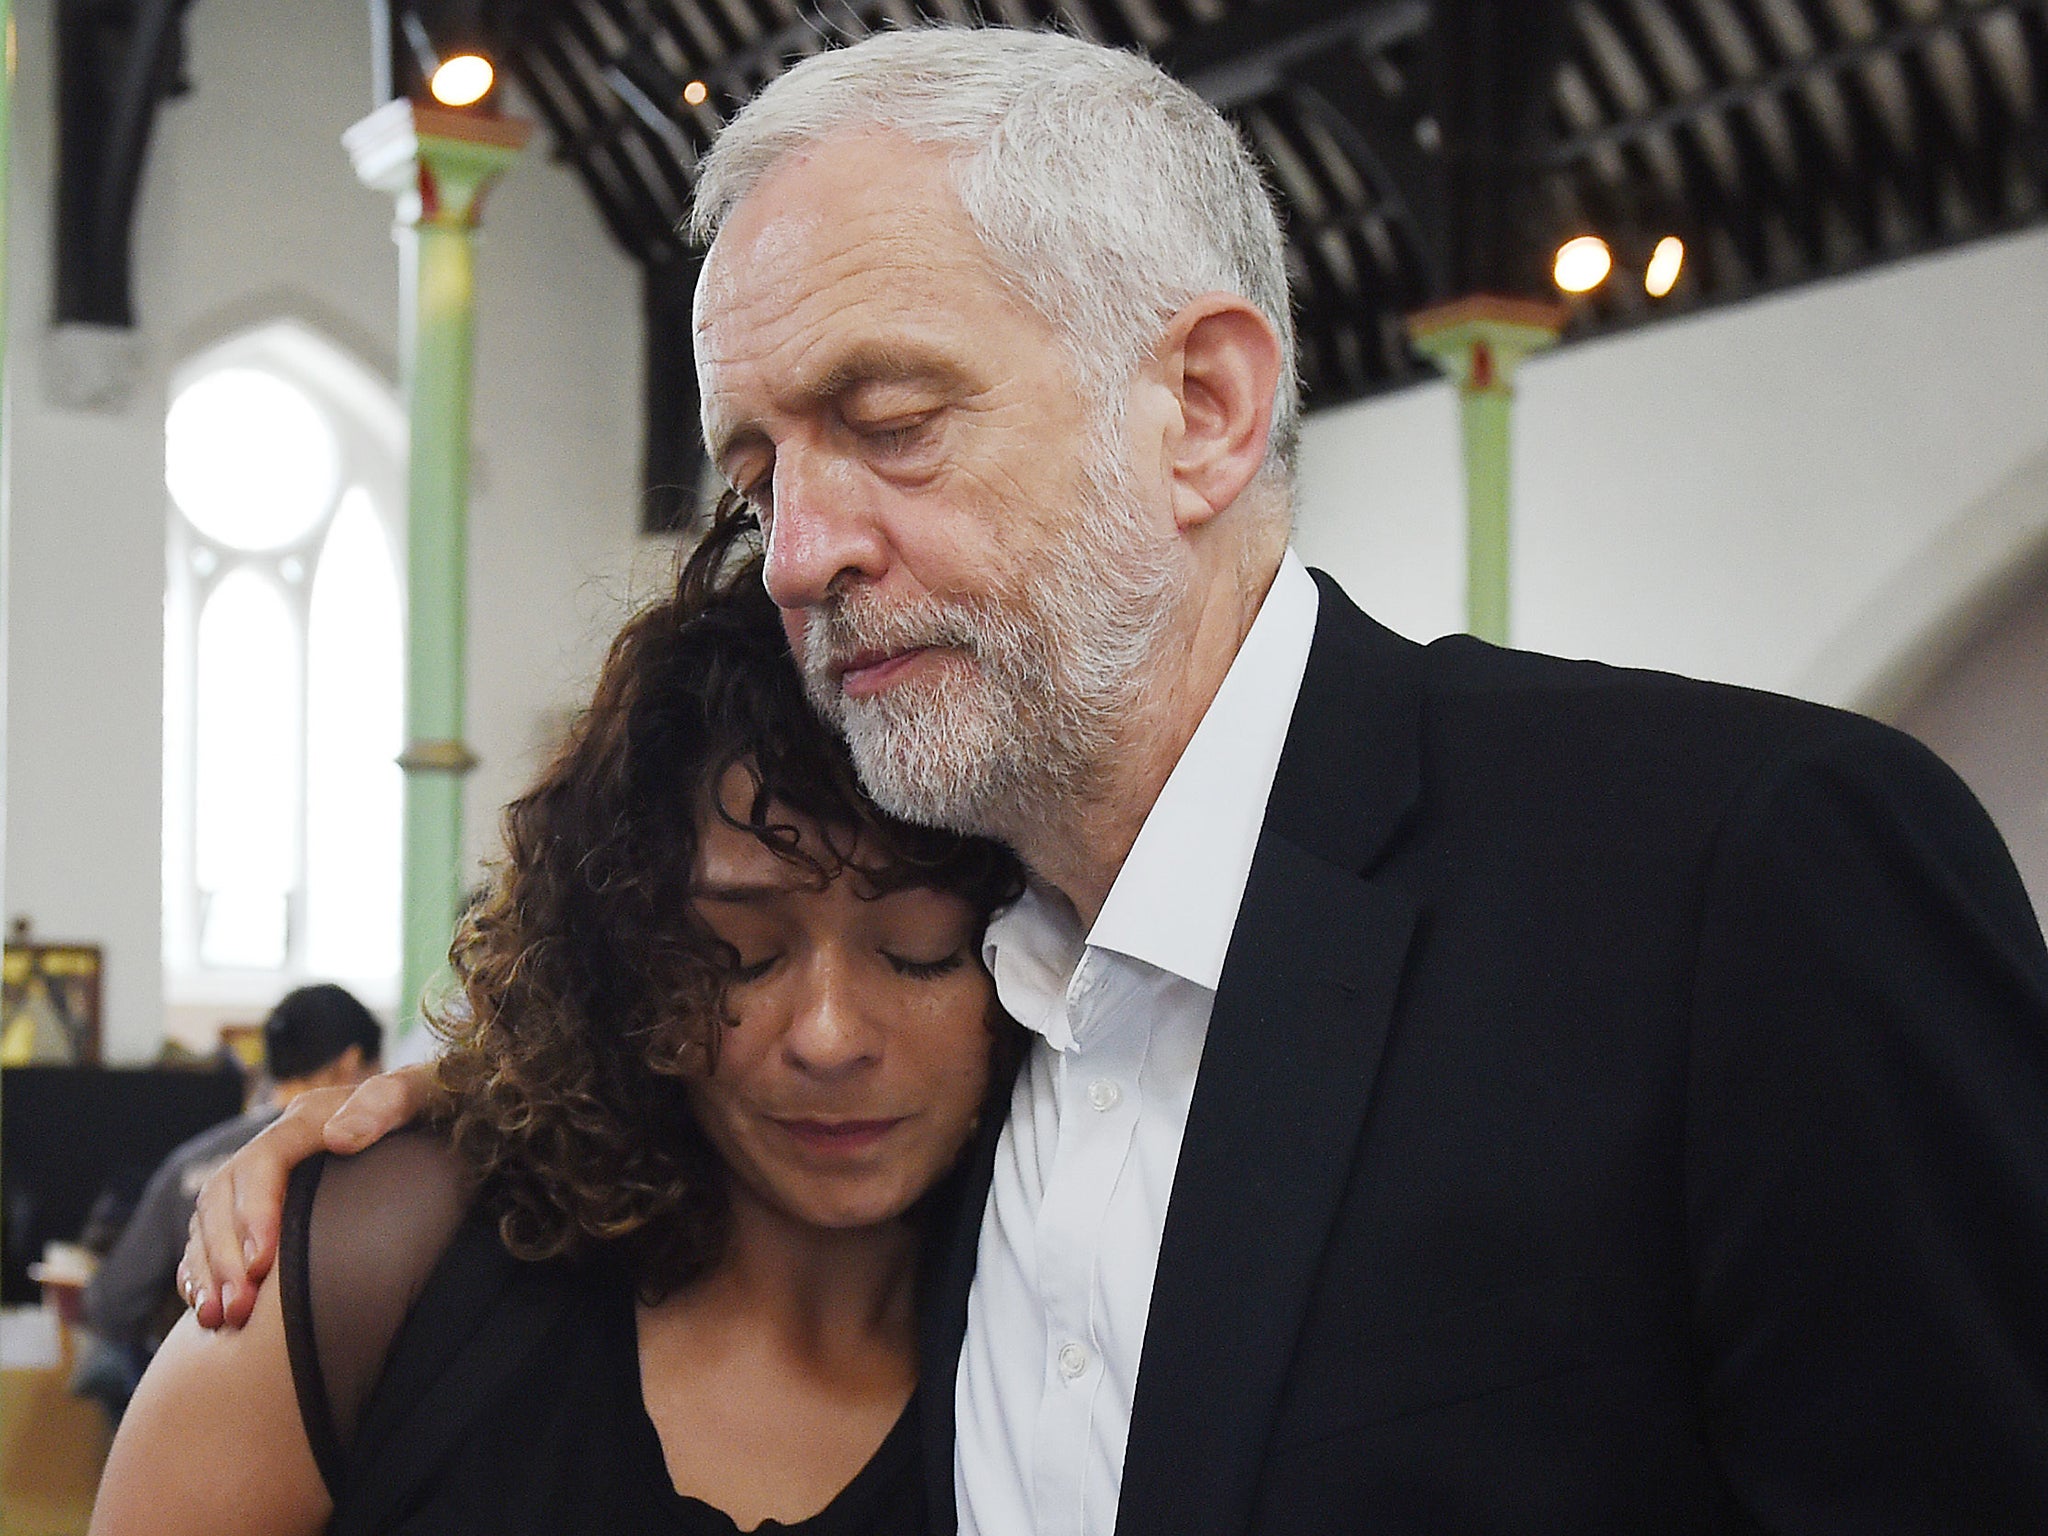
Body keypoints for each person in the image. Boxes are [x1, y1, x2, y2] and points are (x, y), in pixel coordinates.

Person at [186, 26, 2048, 1533]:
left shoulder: (1734, 876)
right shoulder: (968, 1021)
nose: (798, 550)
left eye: (888, 423)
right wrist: (448, 1105)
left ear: (1204, 409)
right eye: (755, 475)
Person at [92, 507, 1022, 1535]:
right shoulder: (376, 1272)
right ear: (626, 951)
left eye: (919, 949)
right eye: (740, 954)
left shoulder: (1077, 1334)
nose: (830, 1033)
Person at [78, 984, 380, 1420]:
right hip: (334, 1424)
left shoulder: (192, 1164)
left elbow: (113, 1303)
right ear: (351, 1063)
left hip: (192, 1417)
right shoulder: (376, 1166)